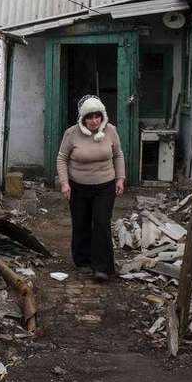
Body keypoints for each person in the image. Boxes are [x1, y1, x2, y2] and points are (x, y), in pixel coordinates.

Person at [56, 95, 125, 281]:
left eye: (97, 117)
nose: (94, 121)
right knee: (81, 223)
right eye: (89, 117)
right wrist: (64, 182)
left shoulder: (110, 131)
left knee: (102, 223)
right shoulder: (71, 133)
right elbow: (62, 157)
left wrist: (120, 179)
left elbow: (118, 155)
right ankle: (83, 262)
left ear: (102, 117)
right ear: (83, 118)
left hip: (105, 185)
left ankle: (102, 267)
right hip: (78, 186)